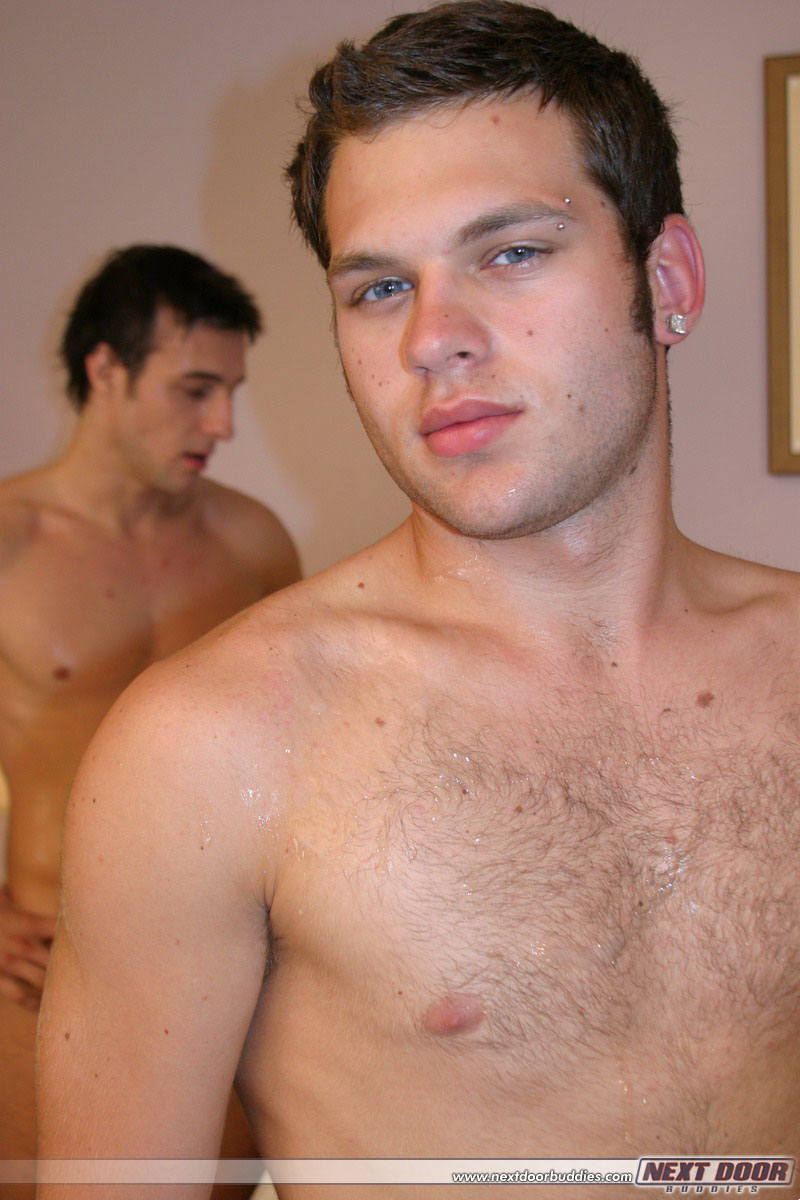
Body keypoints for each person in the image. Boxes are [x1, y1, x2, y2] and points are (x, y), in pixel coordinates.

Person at [36, 5, 800, 1198]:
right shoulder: (208, 747)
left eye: (511, 253)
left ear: (665, 280)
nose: (432, 340)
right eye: (381, 286)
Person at [0, 244, 299, 1197]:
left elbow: (303, 755)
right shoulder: (9, 545)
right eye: (195, 389)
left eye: (232, 392)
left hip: (229, 978)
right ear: (106, 368)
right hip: (43, 973)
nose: (223, 424)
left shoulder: (251, 544)